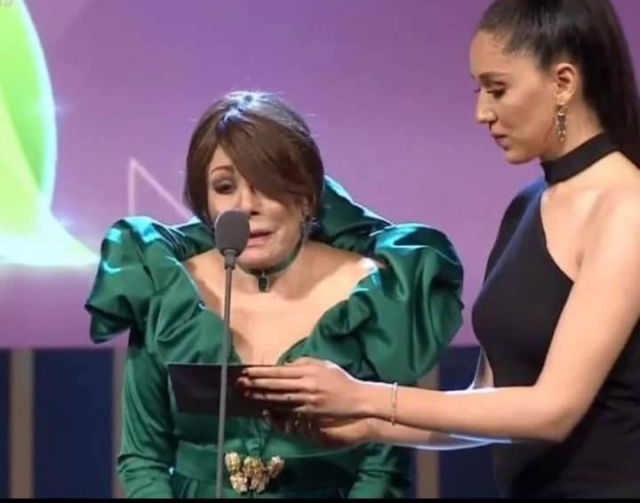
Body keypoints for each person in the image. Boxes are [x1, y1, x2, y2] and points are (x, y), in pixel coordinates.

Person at [240, 0, 640, 499]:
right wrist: (370, 426)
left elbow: (553, 409)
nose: (481, 113)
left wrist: (365, 396)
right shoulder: (528, 206)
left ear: (563, 82)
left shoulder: (626, 206)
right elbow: (487, 401)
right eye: (479, 90)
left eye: (497, 89)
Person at [84, 90, 464, 498]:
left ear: (306, 196)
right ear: (205, 204)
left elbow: (381, 470)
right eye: (224, 187)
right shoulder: (167, 289)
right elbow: (143, 458)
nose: (246, 205)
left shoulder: (373, 293)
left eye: (265, 185)